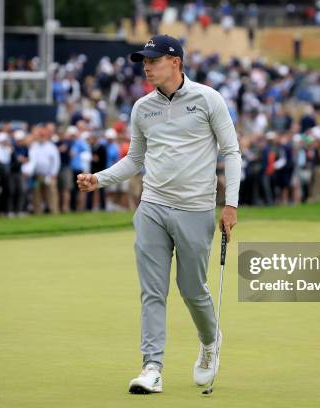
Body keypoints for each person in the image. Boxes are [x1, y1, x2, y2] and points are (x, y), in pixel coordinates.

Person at [77, 35, 241, 394]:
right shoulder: (142, 108)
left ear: (175, 62)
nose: (146, 66)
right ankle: (152, 368)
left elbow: (231, 152)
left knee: (192, 289)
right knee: (153, 291)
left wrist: (231, 203)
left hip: (196, 209)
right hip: (151, 206)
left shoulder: (208, 99)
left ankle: (211, 340)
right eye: (144, 61)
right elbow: (135, 160)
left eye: (153, 60)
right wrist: (99, 180)